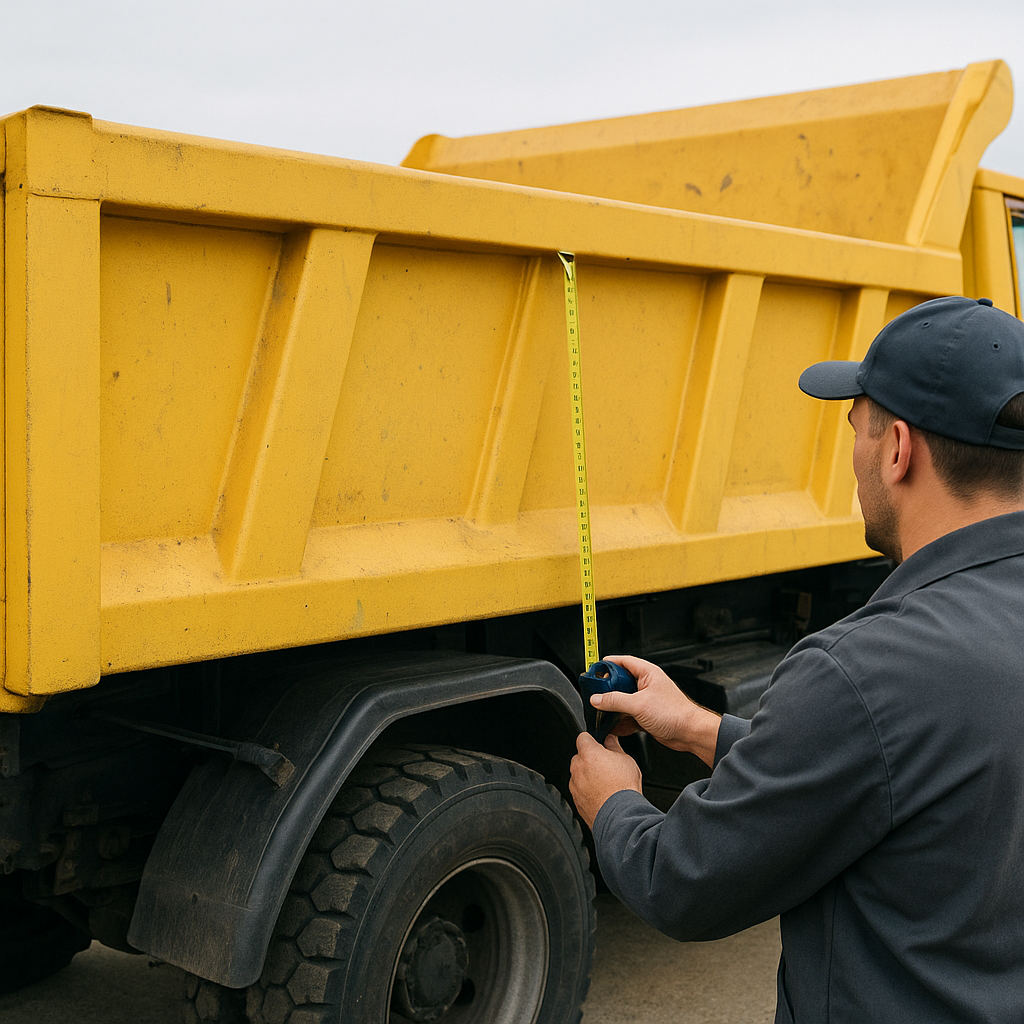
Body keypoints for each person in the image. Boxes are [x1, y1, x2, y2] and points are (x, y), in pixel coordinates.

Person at [569, 295, 1024, 1023]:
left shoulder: (864, 670)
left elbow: (682, 881)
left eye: (857, 429)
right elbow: (907, 771)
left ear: (899, 448)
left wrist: (613, 802)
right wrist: (700, 729)